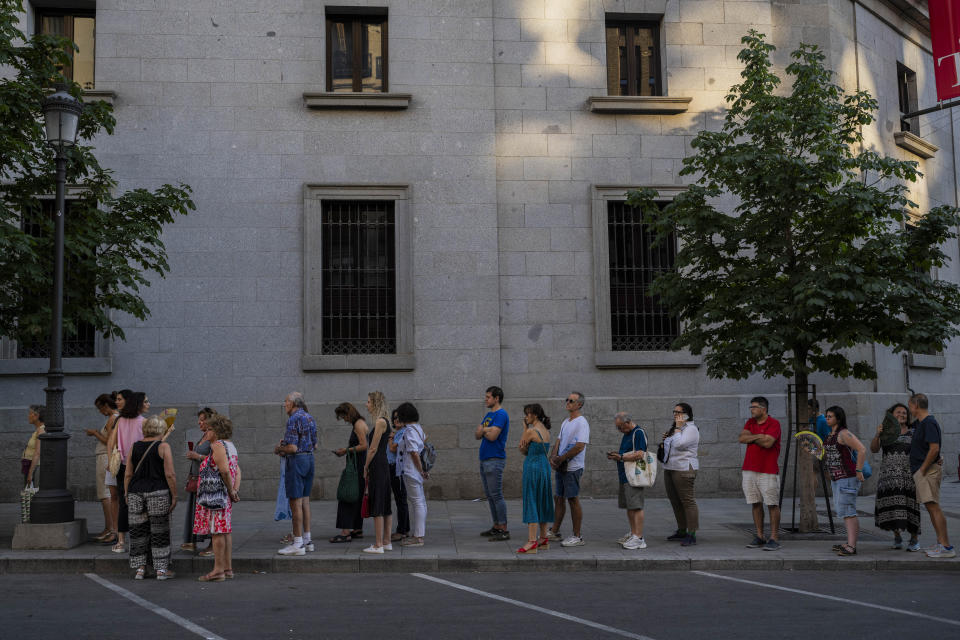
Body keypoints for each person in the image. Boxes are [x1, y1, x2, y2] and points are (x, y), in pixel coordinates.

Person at [125, 414, 178, 580]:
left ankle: (140, 569)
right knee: (159, 531)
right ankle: (161, 570)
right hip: (158, 493)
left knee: (138, 532)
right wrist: (174, 495)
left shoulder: (134, 447)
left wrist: (126, 493)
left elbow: (128, 474)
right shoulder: (163, 447)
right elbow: (170, 474)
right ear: (161, 430)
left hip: (135, 493)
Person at [193, 414, 241, 581]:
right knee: (225, 530)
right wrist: (234, 489)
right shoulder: (230, 445)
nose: (206, 431)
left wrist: (231, 490)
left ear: (217, 430)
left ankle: (218, 571)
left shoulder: (217, 445)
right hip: (224, 495)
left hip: (216, 495)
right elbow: (237, 469)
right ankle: (227, 569)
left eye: (209, 429)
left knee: (217, 532)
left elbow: (225, 470)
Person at [908, 393, 955, 558]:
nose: (909, 409)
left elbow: (934, 448)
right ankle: (941, 542)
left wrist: (922, 470)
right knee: (931, 507)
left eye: (910, 405)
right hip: (924, 470)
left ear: (916, 406)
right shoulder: (920, 423)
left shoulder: (929, 423)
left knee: (933, 507)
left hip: (926, 471)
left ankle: (946, 547)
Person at [870, 402, 921, 551]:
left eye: (904, 413)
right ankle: (897, 537)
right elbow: (873, 449)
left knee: (910, 508)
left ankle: (914, 540)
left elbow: (923, 450)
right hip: (888, 478)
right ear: (891, 415)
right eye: (898, 412)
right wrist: (877, 434)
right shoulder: (885, 432)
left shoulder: (913, 432)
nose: (902, 415)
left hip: (908, 478)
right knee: (891, 508)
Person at [275, 392, 317, 556]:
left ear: (293, 404)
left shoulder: (293, 419)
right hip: (309, 459)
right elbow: (315, 444)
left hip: (297, 461)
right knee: (305, 501)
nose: (284, 404)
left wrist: (279, 448)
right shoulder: (309, 417)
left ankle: (297, 542)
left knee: (295, 502)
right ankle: (307, 540)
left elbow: (292, 448)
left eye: (286, 401)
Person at [823, 405, 868, 556]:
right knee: (843, 511)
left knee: (849, 511)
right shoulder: (831, 435)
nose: (827, 418)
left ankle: (852, 546)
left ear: (838, 418)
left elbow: (862, 449)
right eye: (826, 416)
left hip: (847, 477)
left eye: (830, 416)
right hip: (837, 478)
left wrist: (859, 470)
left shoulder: (844, 434)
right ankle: (849, 542)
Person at [739, 396, 782, 551]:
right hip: (749, 469)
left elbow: (768, 442)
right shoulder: (750, 422)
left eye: (754, 407)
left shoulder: (774, 423)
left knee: (771, 503)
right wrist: (758, 436)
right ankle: (760, 536)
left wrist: (752, 438)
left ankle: (774, 537)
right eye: (750, 407)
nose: (751, 410)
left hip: (768, 470)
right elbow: (742, 438)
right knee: (755, 502)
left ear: (764, 409)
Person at [547, 392, 590, 547]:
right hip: (562, 466)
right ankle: (555, 531)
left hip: (573, 468)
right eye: (567, 400)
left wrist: (561, 458)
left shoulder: (582, 422)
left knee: (572, 499)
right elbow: (558, 440)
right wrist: (553, 456)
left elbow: (580, 446)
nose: (568, 402)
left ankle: (577, 536)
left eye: (571, 401)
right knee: (558, 497)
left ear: (579, 404)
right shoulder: (566, 421)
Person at [110, 390, 145, 553]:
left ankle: (121, 541)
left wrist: (111, 460)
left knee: (123, 502)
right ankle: (139, 538)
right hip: (139, 465)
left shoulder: (120, 420)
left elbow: (111, 441)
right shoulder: (144, 422)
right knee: (140, 501)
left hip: (123, 465)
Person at [606, 412, 647, 551]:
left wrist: (621, 457)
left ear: (628, 423)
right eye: (618, 428)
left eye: (620, 427)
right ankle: (633, 533)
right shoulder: (627, 434)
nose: (619, 430)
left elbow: (640, 454)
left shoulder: (638, 433)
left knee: (636, 506)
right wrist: (617, 456)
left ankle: (639, 538)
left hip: (634, 475)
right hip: (625, 475)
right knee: (630, 506)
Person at [517, 403, 554, 553]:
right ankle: (543, 538)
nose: (526, 417)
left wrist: (525, 429)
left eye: (527, 414)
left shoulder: (531, 431)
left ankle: (532, 540)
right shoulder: (545, 430)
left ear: (535, 415)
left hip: (532, 467)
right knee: (543, 499)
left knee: (531, 499)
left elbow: (522, 448)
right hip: (544, 467)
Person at [663, 403, 700, 547]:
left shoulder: (691, 429)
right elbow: (670, 446)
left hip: (684, 468)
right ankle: (682, 529)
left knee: (687, 501)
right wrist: (666, 439)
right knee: (675, 501)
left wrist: (677, 428)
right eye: (674, 411)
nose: (675, 414)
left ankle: (692, 533)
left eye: (679, 412)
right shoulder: (678, 428)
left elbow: (680, 445)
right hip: (671, 467)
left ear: (687, 414)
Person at [476, 385, 510, 541]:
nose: (486, 399)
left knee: (496, 495)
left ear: (497, 398)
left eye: (488, 397)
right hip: (485, 459)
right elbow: (477, 434)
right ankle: (496, 526)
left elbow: (492, 437)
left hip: (495, 459)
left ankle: (503, 528)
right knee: (490, 495)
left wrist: (484, 430)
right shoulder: (489, 415)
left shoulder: (501, 415)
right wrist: (484, 430)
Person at [84, 394, 119, 543]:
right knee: (105, 494)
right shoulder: (114, 418)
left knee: (105, 495)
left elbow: (109, 441)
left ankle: (111, 528)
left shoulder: (113, 418)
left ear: (106, 405)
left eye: (100, 408)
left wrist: (95, 433)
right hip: (105, 455)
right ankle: (108, 527)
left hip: (105, 455)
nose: (100, 411)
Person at [331, 402, 368, 543]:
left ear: (348, 413)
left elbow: (364, 445)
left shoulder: (358, 424)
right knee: (356, 496)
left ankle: (345, 532)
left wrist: (345, 451)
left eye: (343, 417)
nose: (344, 420)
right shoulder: (360, 422)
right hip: (359, 466)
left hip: (356, 467)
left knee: (347, 495)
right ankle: (357, 529)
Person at [182, 408, 216, 553]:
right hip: (197, 478)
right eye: (199, 419)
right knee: (195, 511)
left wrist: (197, 456)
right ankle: (192, 540)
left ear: (210, 420)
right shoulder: (204, 436)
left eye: (202, 419)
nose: (199, 422)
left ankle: (213, 544)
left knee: (208, 512)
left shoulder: (214, 436)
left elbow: (216, 459)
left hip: (207, 480)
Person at [396, 402, 427, 546]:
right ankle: (419, 534)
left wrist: (420, 470)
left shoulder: (409, 431)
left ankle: (418, 537)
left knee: (417, 503)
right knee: (420, 502)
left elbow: (414, 452)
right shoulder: (418, 428)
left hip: (411, 470)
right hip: (415, 471)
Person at [387, 409, 410, 542]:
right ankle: (404, 529)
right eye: (394, 418)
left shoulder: (402, 432)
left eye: (399, 418)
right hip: (393, 467)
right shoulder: (399, 432)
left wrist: (390, 438)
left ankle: (402, 530)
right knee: (400, 499)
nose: (396, 420)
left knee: (401, 499)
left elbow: (393, 448)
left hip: (397, 469)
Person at [22, 405, 45, 488]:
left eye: (30, 413)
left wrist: (30, 473)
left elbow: (37, 453)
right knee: (29, 493)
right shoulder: (39, 429)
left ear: (37, 416)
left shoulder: (41, 430)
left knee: (32, 493)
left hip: (35, 467)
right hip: (30, 465)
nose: (28, 416)